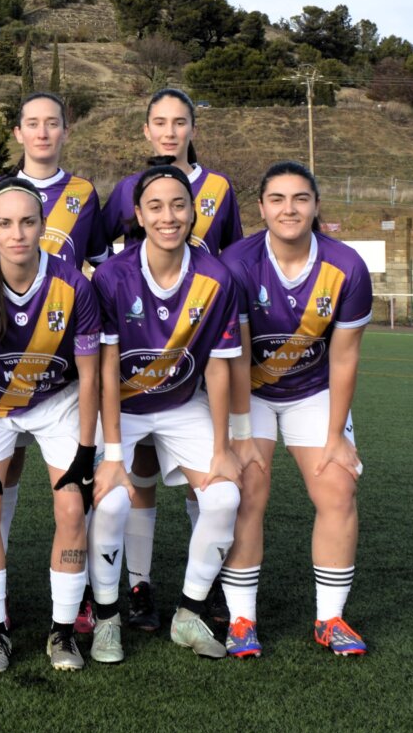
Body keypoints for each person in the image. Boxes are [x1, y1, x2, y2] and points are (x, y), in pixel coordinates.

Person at [99, 88, 243, 634]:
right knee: (131, 481)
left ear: (191, 127)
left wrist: (229, 439)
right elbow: (95, 246)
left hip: (190, 361)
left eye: (178, 121)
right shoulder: (127, 195)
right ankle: (132, 590)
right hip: (134, 370)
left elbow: (230, 260)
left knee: (212, 485)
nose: (169, 130)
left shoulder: (220, 190)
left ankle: (200, 596)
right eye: (158, 121)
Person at [0, 178, 103, 673]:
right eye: (6, 223)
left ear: (43, 227)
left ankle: (61, 631)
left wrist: (83, 450)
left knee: (73, 504)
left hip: (58, 401)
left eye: (28, 222)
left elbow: (92, 374)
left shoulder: (73, 284)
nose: (18, 234)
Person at [218, 161, 372, 658]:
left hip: (312, 389)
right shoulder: (237, 263)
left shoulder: (346, 266)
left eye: (301, 198)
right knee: (248, 486)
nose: (290, 208)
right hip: (252, 393)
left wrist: (336, 435)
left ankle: (330, 618)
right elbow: (236, 356)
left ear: (316, 205)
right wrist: (241, 432)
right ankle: (242, 618)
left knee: (338, 485)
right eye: (278, 199)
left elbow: (345, 356)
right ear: (261, 208)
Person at [0, 92, 110, 626]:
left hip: (62, 366)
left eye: (51, 123)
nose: (42, 133)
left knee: (75, 493)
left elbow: (99, 267)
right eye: (31, 123)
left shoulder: (84, 193)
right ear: (17, 132)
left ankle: (77, 599)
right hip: (3, 369)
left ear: (65, 130)